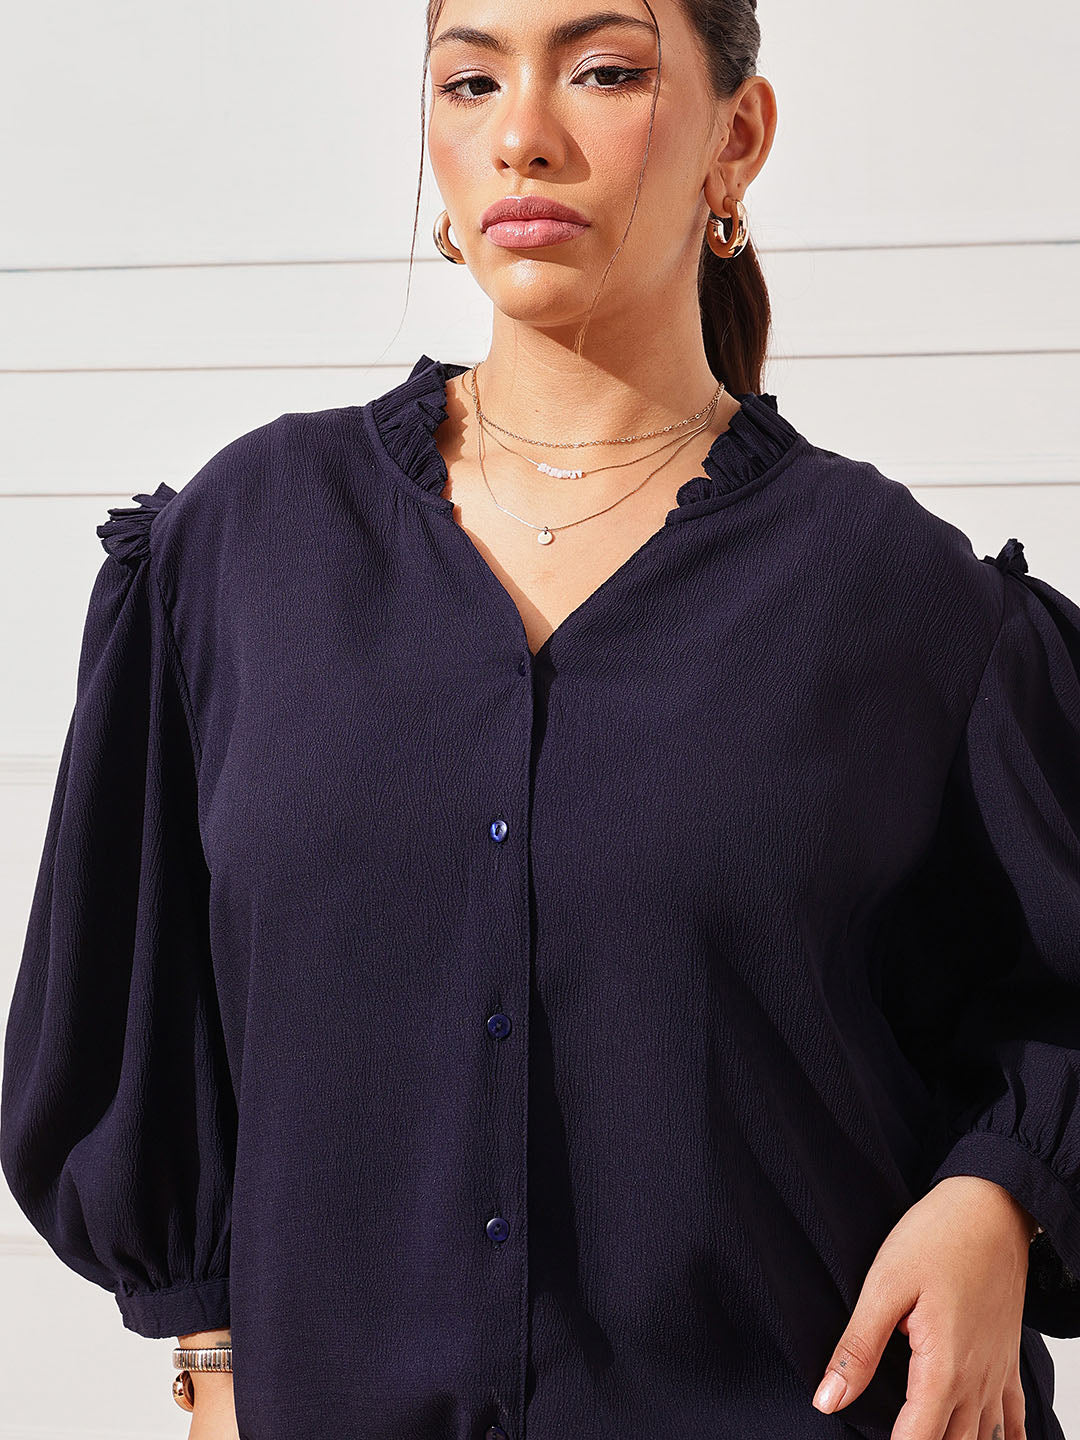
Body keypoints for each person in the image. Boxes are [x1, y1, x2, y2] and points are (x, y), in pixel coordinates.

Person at [2, 0, 1079, 1436]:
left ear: (736, 140)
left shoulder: (903, 599)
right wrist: (211, 1361)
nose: (522, 135)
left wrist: (999, 1196)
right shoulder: (246, 550)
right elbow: (138, 1013)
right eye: (469, 80)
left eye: (606, 70)